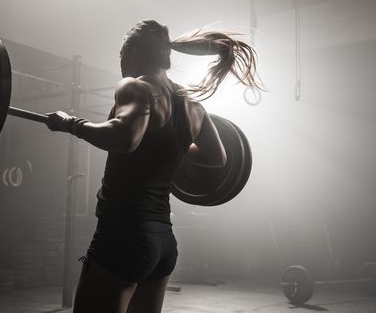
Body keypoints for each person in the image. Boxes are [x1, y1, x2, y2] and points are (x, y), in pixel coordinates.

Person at [47, 20, 262, 313]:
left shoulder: (136, 86)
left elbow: (126, 138)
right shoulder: (191, 105)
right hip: (162, 241)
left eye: (121, 55)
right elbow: (218, 157)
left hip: (122, 235)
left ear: (134, 51)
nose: (121, 64)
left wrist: (71, 124)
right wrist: (171, 145)